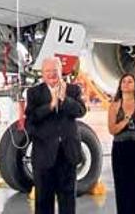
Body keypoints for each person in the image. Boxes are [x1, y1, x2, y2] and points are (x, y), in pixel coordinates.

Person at [25, 57, 87, 214]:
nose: (52, 75)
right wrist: (50, 106)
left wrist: (64, 100)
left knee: (68, 201)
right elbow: (30, 120)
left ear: (61, 72)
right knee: (44, 201)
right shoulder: (34, 93)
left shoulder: (73, 90)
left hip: (68, 154)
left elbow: (81, 111)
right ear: (42, 74)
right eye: (48, 71)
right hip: (44, 155)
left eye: (55, 71)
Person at [108, 72, 135, 214]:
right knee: (123, 186)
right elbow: (112, 129)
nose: (126, 84)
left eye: (130, 82)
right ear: (120, 86)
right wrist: (126, 120)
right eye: (124, 82)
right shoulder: (115, 106)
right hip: (121, 148)